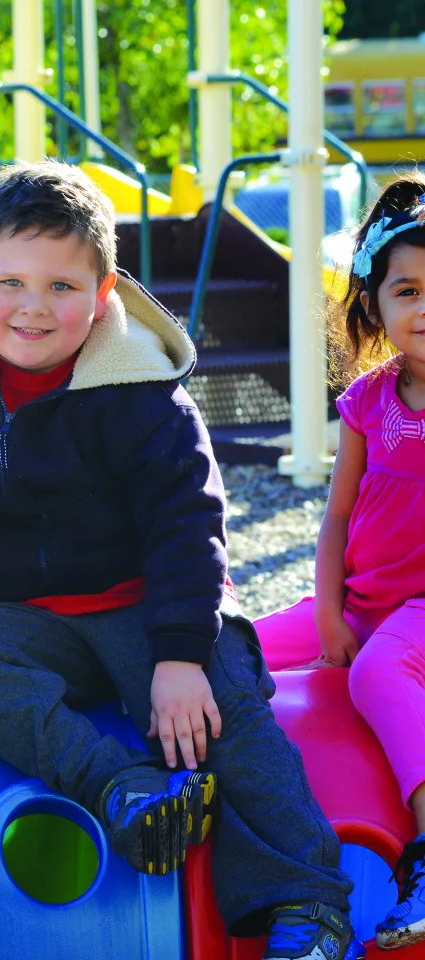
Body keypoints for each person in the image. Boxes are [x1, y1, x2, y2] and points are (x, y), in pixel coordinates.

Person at [0, 160, 362, 960]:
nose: (33, 307)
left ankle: (306, 900)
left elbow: (188, 527)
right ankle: (122, 786)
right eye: (10, 282)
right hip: (30, 623)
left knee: (225, 710)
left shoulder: (142, 389)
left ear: (106, 291)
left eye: (62, 286)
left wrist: (182, 655)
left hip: (152, 605)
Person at [255, 175, 425, 951]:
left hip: (419, 614)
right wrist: (325, 611)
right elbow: (335, 520)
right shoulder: (367, 401)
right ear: (376, 307)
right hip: (359, 600)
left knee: (375, 673)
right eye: (409, 290)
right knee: (234, 646)